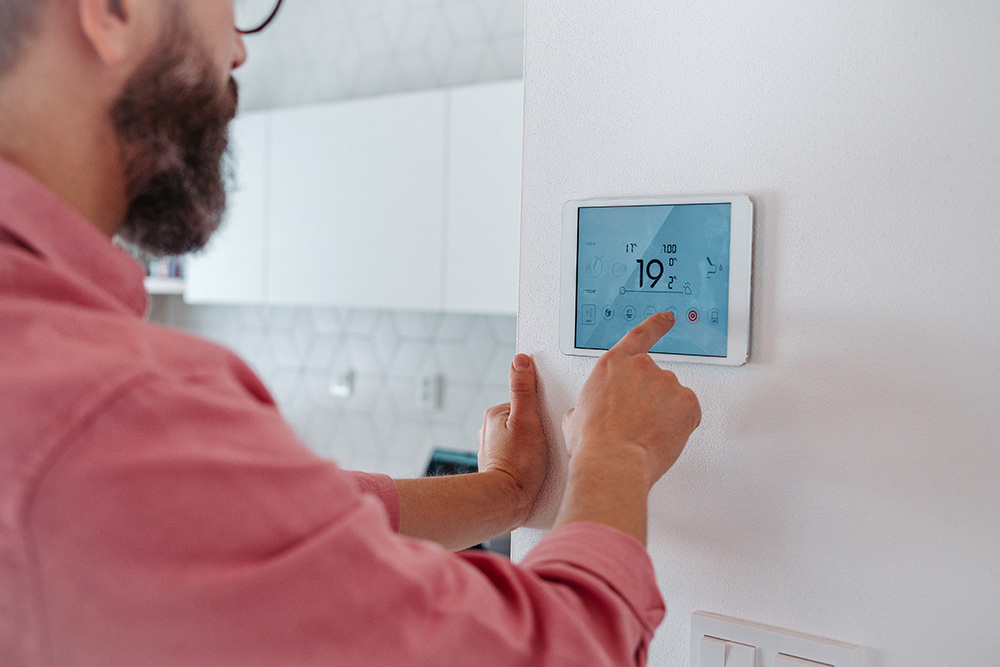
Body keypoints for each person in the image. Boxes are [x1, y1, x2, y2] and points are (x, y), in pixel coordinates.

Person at [0, 1, 702, 665]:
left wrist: (509, 491)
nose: (239, 51)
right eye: (231, 8)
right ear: (114, 10)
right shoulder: (110, 407)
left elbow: (265, 526)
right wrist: (616, 456)